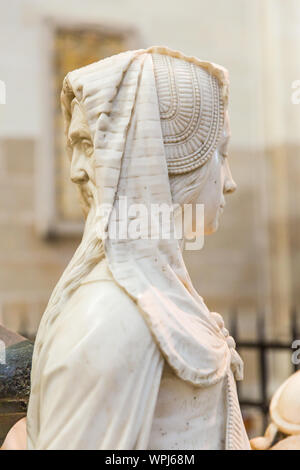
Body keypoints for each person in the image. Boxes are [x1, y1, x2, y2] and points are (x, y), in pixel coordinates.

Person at [24, 46, 250, 450]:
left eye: (88, 146)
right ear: (170, 160)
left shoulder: (157, 299)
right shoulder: (114, 318)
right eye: (222, 154)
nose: (77, 171)